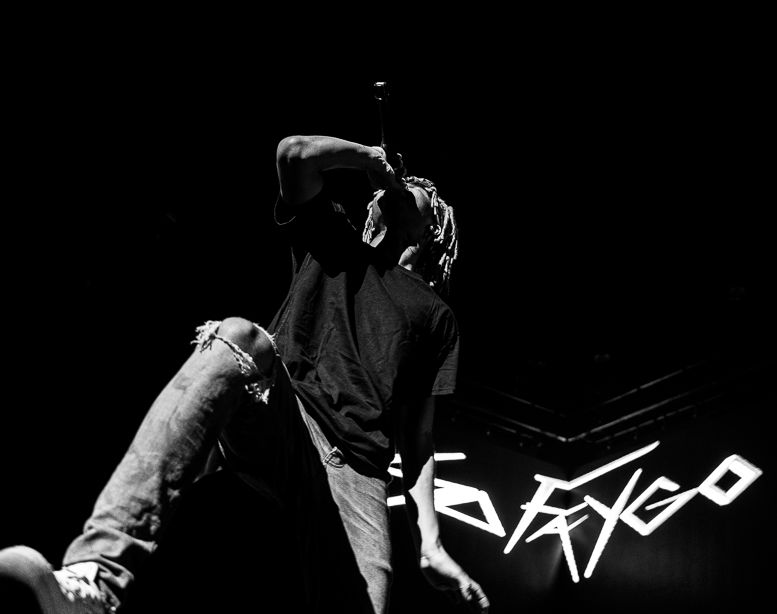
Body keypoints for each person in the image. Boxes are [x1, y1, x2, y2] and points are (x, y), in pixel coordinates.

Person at [0, 135, 489, 614]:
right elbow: (294, 155)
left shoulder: (435, 313)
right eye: (399, 186)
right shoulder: (334, 237)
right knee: (239, 335)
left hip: (357, 468)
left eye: (417, 191)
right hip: (284, 414)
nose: (403, 187)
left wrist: (430, 543)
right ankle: (96, 579)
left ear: (431, 229)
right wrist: (366, 159)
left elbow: (417, 439)